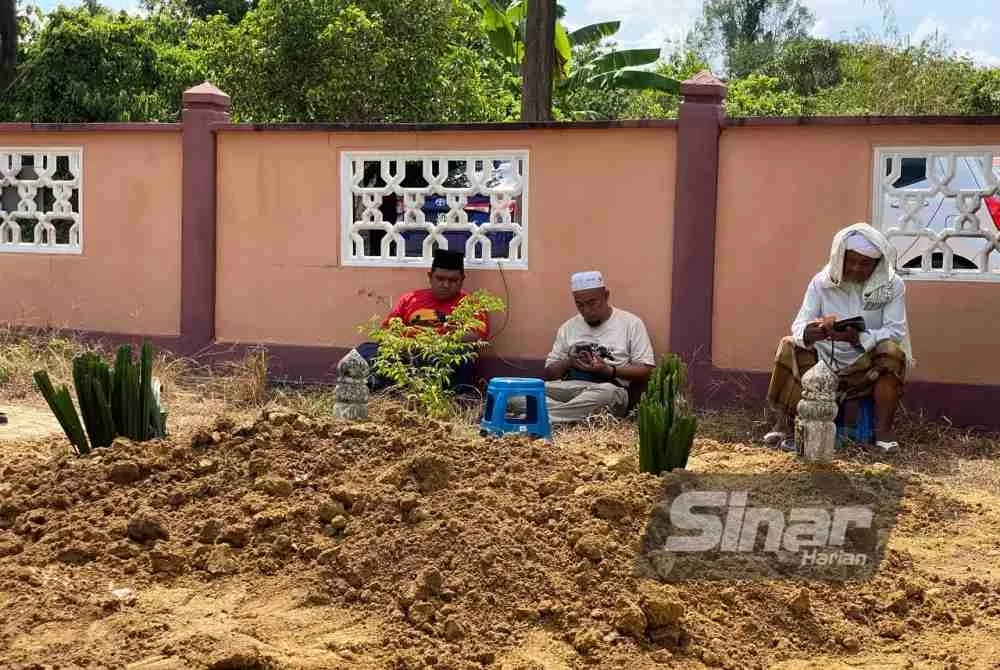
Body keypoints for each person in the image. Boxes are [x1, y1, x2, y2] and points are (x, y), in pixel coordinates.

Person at [764, 223, 913, 453]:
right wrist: (814, 332)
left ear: (877, 265)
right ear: (839, 258)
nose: (855, 268)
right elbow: (799, 325)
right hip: (821, 363)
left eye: (865, 264)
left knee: (892, 352)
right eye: (850, 261)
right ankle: (784, 425)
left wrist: (860, 338)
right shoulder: (821, 283)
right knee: (789, 345)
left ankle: (883, 432)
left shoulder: (892, 286)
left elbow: (896, 330)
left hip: (865, 364)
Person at [356, 248, 489, 392]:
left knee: (461, 355)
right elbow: (385, 332)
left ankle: (446, 396)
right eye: (440, 278)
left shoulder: (471, 304)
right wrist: (405, 345)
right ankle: (379, 388)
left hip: (441, 357)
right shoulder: (410, 299)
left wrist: (435, 343)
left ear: (462, 279)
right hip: (405, 354)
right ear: (430, 276)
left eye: (453, 280)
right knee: (366, 350)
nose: (445, 285)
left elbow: (477, 337)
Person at [540, 271, 655, 424]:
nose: (586, 310)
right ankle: (566, 418)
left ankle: (541, 417)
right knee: (521, 395)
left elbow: (645, 370)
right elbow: (548, 374)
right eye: (580, 304)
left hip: (608, 389)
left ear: (606, 296)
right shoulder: (568, 327)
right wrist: (569, 362)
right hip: (570, 388)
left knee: (607, 396)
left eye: (592, 303)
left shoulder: (631, 324)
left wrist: (609, 370)